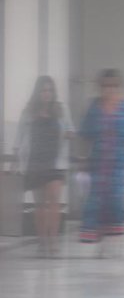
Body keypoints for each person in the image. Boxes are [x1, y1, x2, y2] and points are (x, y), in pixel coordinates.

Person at [78, 69, 124, 249]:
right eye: (105, 86)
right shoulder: (94, 107)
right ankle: (97, 239)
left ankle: (114, 243)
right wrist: (82, 158)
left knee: (117, 200)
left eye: (113, 86)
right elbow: (85, 135)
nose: (109, 90)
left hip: (119, 162)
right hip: (98, 161)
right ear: (100, 87)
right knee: (96, 200)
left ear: (119, 87)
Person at [13, 76, 74, 255]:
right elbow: (19, 137)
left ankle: (53, 241)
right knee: (40, 203)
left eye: (49, 90)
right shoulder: (28, 112)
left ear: (53, 92)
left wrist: (67, 135)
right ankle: (42, 241)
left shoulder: (62, 110)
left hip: (56, 161)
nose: (46, 94)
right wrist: (16, 160)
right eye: (43, 90)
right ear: (37, 92)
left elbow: (71, 130)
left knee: (54, 201)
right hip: (35, 162)